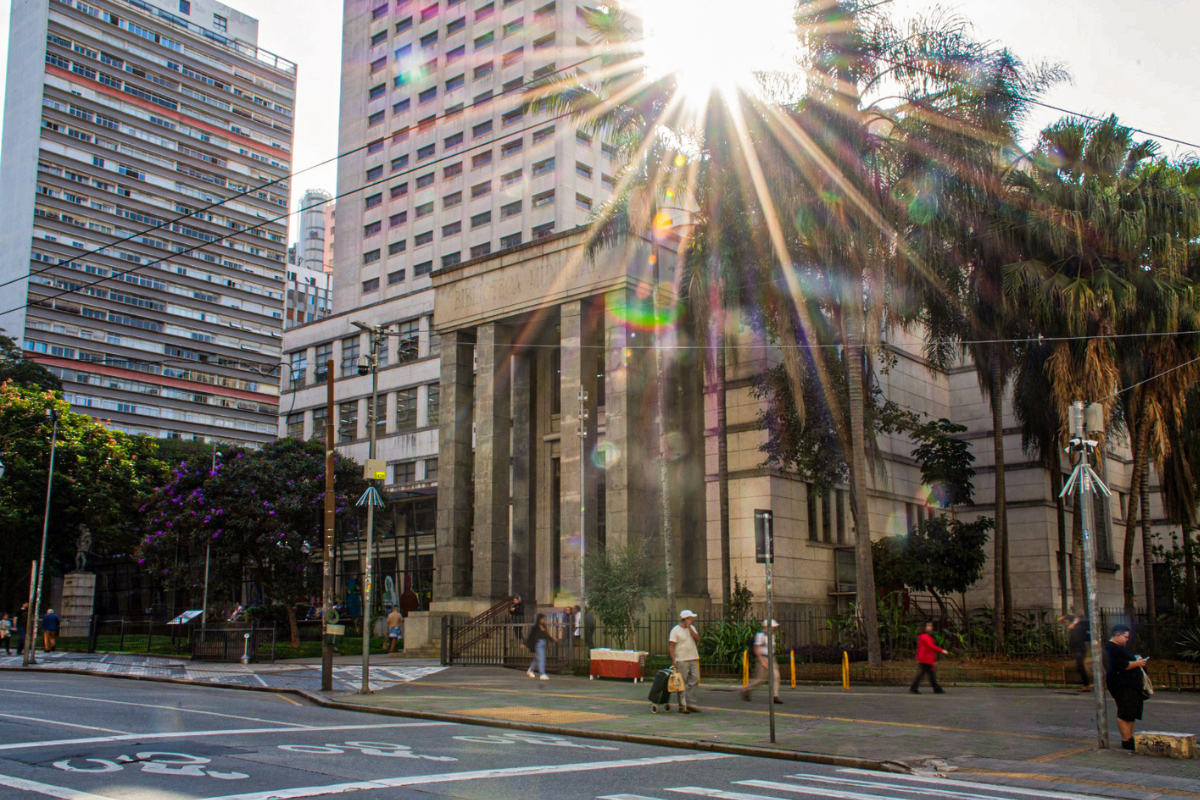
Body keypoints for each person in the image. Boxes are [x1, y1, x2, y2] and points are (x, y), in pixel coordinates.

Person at [1104, 623, 1150, 751]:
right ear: (1117, 635)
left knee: (1131, 711)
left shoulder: (1119, 647)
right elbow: (1122, 665)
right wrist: (1137, 663)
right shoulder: (1112, 648)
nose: (1127, 639)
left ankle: (1129, 737)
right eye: (1125, 637)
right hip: (1123, 684)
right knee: (1125, 711)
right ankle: (1126, 739)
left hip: (1130, 684)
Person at [668, 609, 702, 714]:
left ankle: (690, 702)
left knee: (695, 679)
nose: (692, 620)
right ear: (685, 619)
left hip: (693, 657)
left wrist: (690, 629)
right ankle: (682, 705)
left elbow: (697, 639)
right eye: (690, 618)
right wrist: (673, 659)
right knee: (681, 682)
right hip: (681, 659)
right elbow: (671, 646)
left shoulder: (692, 628)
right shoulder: (675, 630)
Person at [742, 619, 782, 704]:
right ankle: (746, 690)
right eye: (773, 628)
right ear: (766, 627)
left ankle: (775, 696)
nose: (774, 630)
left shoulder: (772, 636)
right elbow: (757, 649)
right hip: (763, 658)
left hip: (771, 658)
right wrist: (762, 661)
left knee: (776, 676)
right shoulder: (760, 636)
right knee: (760, 679)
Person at [910, 622, 948, 694]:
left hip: (925, 658)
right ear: (924, 627)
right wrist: (942, 650)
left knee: (929, 674)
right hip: (926, 658)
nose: (931, 627)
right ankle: (915, 688)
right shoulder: (925, 636)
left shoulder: (923, 636)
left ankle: (936, 688)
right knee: (924, 674)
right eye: (929, 626)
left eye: (931, 626)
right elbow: (932, 646)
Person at [525, 613, 557, 681]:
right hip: (538, 644)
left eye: (544, 619)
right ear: (539, 619)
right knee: (541, 658)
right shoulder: (535, 627)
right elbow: (530, 636)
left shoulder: (544, 627)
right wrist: (525, 644)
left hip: (543, 643)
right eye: (542, 619)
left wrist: (553, 639)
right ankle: (542, 674)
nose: (543, 620)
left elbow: (547, 635)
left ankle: (530, 670)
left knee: (537, 658)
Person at [1067, 615, 1091, 690]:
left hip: (1079, 649)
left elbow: (1071, 628)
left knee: (1080, 666)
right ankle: (1086, 683)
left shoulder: (1079, 628)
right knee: (1079, 666)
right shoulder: (1077, 627)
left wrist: (1074, 622)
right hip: (1078, 648)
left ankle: (1086, 684)